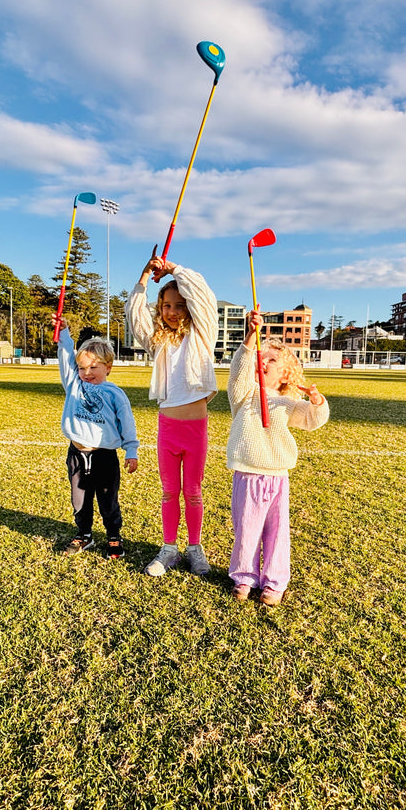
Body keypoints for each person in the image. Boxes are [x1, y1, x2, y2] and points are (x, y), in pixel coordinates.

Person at [226, 310, 329, 606]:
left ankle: (274, 582)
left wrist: (317, 401)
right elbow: (239, 370)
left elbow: (312, 419)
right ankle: (244, 577)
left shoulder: (288, 402)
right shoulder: (245, 393)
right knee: (246, 530)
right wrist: (251, 336)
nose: (264, 361)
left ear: (285, 372)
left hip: (277, 477)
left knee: (277, 532)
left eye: (273, 360)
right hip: (247, 473)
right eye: (262, 357)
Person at [126, 253, 218, 577]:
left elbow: (203, 294)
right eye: (167, 306)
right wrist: (144, 275)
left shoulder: (203, 334)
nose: (174, 312)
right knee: (169, 491)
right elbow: (134, 316)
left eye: (180, 306)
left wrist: (174, 269)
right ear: (160, 308)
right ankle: (169, 549)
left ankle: (194, 548)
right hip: (168, 427)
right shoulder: (158, 342)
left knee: (193, 491)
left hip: (195, 427)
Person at [53, 315, 139, 560]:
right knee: (79, 499)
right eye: (81, 368)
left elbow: (127, 424)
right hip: (76, 454)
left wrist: (131, 450)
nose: (86, 373)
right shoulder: (74, 385)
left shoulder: (115, 394)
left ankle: (113, 536)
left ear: (108, 367)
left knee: (107, 499)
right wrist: (64, 333)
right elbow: (65, 356)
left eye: (93, 367)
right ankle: (84, 534)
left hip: (104, 456)